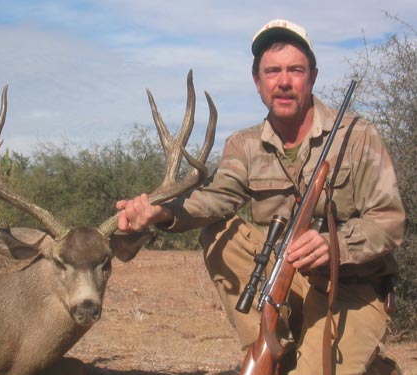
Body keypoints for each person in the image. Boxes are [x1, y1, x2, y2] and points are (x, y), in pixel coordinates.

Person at [116, 19, 405, 374]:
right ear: (257, 82)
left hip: (350, 290)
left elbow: (390, 224)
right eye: (272, 71)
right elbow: (217, 200)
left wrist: (334, 245)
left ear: (312, 77)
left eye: (295, 70)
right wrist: (160, 212)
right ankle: (271, 347)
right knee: (220, 232)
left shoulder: (358, 136)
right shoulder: (243, 143)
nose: (283, 81)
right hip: (284, 282)